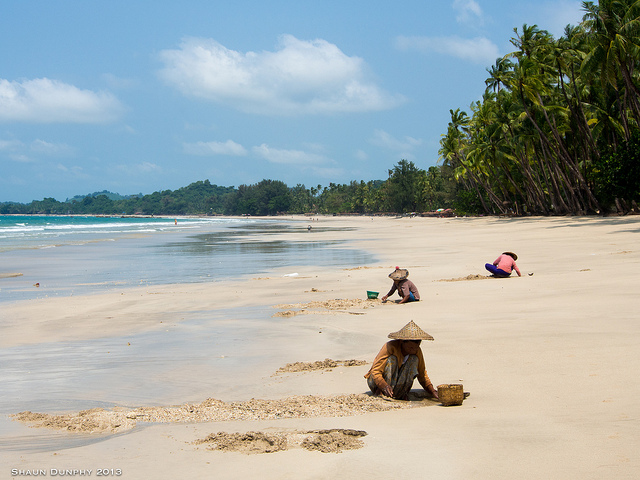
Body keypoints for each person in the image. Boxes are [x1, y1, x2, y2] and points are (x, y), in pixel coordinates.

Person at [364, 320, 438, 400]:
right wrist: (384, 386)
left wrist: (432, 390)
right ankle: (382, 393)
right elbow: (376, 372)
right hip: (377, 383)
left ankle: (402, 393)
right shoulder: (389, 347)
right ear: (402, 342)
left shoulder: (417, 351)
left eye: (416, 346)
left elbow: (422, 374)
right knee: (392, 360)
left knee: (414, 360)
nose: (414, 350)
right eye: (411, 347)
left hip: (397, 383)